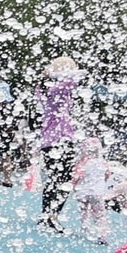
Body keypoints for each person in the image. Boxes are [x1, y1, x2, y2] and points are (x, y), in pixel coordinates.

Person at [36, 56, 81, 233]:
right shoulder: (58, 90)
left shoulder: (43, 90)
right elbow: (76, 78)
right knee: (64, 180)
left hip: (48, 142)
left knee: (53, 180)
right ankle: (52, 216)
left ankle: (46, 215)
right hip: (61, 140)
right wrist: (64, 68)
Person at [72, 138, 114, 243]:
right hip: (97, 192)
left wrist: (74, 187)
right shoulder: (103, 163)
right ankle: (102, 235)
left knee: (84, 210)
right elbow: (107, 175)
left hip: (83, 192)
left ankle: (85, 228)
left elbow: (75, 178)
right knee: (100, 214)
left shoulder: (82, 163)